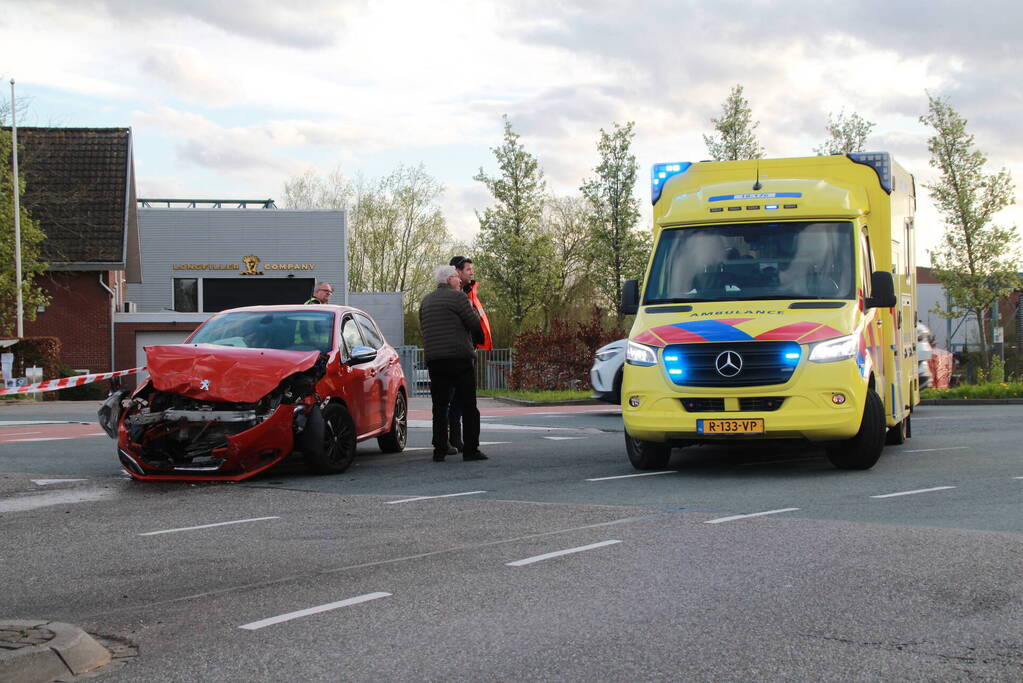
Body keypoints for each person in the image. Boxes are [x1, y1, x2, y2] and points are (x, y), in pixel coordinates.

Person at [419, 265, 486, 462]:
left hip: (435, 360)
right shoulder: (458, 297)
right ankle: (471, 450)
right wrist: (478, 336)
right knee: (469, 406)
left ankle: (439, 449)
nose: (459, 281)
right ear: (449, 280)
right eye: (457, 277)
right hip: (459, 358)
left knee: (439, 407)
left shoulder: (426, 301)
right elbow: (474, 323)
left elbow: (424, 328)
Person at [446, 256, 492, 451]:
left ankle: (454, 440)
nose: (471, 272)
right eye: (468, 270)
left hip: (466, 350)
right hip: (458, 353)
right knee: (456, 398)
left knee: (458, 399)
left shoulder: (469, 292)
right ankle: (456, 441)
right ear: (456, 271)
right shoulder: (456, 295)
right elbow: (470, 322)